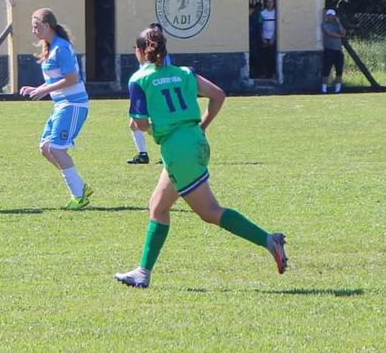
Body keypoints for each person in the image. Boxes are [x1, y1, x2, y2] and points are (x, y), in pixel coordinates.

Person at [114, 25, 287, 288]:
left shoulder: (139, 79)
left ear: (139, 52)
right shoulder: (184, 73)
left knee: (209, 211)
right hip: (195, 141)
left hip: (177, 150)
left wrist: (156, 127)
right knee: (158, 207)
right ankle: (143, 273)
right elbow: (218, 95)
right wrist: (201, 126)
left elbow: (138, 122)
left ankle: (268, 240)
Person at [19, 8, 92, 210]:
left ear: (47, 25)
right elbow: (56, 79)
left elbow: (72, 79)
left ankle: (79, 196)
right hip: (61, 105)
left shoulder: (61, 48)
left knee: (57, 148)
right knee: (45, 147)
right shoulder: (51, 47)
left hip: (73, 104)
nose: (33, 31)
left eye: (36, 27)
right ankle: (80, 186)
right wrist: (37, 88)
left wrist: (43, 92)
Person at [127, 23, 170, 166]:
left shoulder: (161, 59)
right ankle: (143, 154)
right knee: (134, 124)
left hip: (152, 91)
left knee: (144, 124)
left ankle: (166, 151)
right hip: (146, 90)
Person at [321, 9, 347, 93]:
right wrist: (340, 36)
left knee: (339, 70)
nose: (330, 16)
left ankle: (338, 88)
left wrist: (339, 22)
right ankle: (324, 88)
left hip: (338, 51)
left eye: (331, 15)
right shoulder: (324, 24)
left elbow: (344, 32)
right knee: (326, 70)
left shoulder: (337, 25)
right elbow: (329, 33)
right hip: (329, 50)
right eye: (328, 15)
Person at [259, 0, 277, 78]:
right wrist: (262, 38)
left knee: (272, 57)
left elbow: (278, 26)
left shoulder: (276, 13)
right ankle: (264, 74)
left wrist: (274, 37)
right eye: (268, 2)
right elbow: (259, 26)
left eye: (271, 2)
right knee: (264, 58)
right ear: (266, 3)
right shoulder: (262, 13)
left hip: (273, 38)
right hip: (264, 38)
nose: (270, 3)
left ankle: (272, 73)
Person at [248, 1, 263, 78]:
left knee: (256, 56)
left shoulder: (256, 16)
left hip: (255, 40)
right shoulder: (251, 17)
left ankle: (259, 73)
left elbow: (259, 28)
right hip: (253, 40)